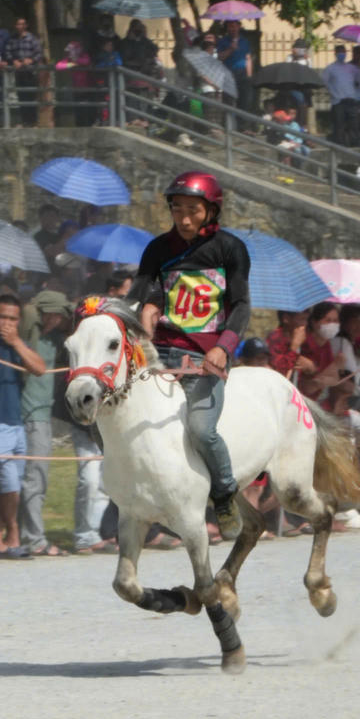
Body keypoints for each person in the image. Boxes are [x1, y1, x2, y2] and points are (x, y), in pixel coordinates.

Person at [128, 172, 250, 538]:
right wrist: (147, 308)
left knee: (200, 428)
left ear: (211, 211)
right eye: (177, 209)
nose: (183, 218)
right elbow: (145, 292)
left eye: (193, 210)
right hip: (160, 350)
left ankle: (225, 493)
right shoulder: (157, 249)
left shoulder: (230, 249)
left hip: (204, 355)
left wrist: (222, 347)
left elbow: (241, 306)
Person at [0, 293, 47, 559]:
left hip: (16, 423)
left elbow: (39, 368)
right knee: (9, 485)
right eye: (2, 316)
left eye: (13, 318)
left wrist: (15, 342)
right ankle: (13, 531)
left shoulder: (17, 345)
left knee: (6, 486)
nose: (7, 322)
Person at [19, 291, 71, 557]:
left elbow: (76, 319)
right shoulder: (30, 332)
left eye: (58, 316)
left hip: (44, 412)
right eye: (50, 314)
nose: (55, 320)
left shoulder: (54, 339)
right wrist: (37, 309)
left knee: (40, 477)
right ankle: (34, 538)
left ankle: (28, 535)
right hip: (31, 413)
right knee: (35, 478)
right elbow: (27, 311)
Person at [323, 44, 360, 147]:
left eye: (343, 52)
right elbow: (325, 82)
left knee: (353, 123)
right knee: (339, 124)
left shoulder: (351, 68)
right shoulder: (330, 68)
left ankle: (353, 142)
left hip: (351, 99)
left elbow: (358, 81)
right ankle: (339, 143)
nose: (342, 54)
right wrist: (334, 93)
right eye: (340, 52)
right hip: (338, 101)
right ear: (335, 54)